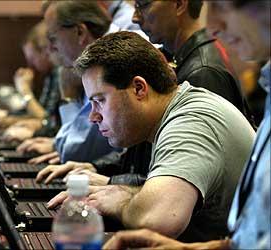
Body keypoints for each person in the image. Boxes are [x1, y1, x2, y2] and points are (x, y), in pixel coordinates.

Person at [48, 31, 255, 242]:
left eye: (100, 100)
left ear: (139, 88)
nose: (93, 116)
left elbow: (159, 220)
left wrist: (119, 202)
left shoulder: (191, 121)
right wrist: (123, 193)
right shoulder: (179, 112)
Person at [103, 0, 270, 249]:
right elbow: (255, 237)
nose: (212, 25)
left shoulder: (203, 73)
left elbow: (161, 216)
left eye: (223, 6)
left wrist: (118, 194)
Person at [17, 1, 118, 164]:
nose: (50, 48)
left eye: (52, 37)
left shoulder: (109, 59)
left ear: (80, 32)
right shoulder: (89, 61)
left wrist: (68, 96)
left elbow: (74, 151)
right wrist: (57, 144)